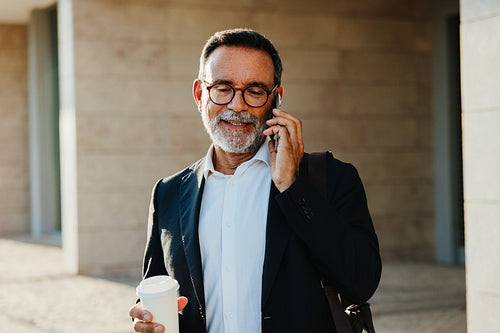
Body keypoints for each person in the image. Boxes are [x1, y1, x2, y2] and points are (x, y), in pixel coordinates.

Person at [129, 28, 381, 333]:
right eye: (222, 88)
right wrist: (147, 320)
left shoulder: (329, 178)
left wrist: (293, 187)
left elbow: (361, 282)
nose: (237, 105)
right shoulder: (168, 193)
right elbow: (158, 294)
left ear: (276, 98)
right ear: (199, 95)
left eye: (255, 90)